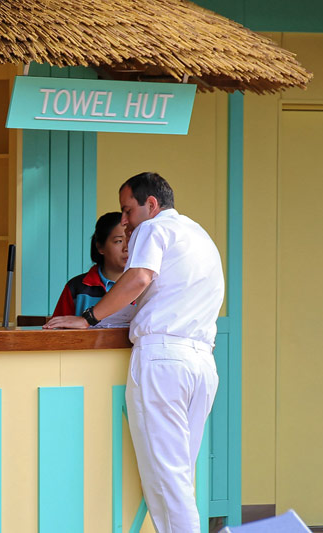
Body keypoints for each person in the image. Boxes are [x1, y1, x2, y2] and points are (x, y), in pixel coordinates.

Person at [89, 172, 224, 532]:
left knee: (168, 482)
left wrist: (88, 318)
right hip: (201, 364)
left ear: (151, 205)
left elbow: (139, 278)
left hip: (164, 361)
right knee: (179, 478)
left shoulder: (153, 227)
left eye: (127, 210)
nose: (124, 221)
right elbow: (154, 298)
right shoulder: (199, 236)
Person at [45, 212, 129, 322]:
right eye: (119, 241)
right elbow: (57, 328)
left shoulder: (144, 285)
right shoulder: (76, 288)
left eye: (131, 239)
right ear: (100, 247)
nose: (126, 248)